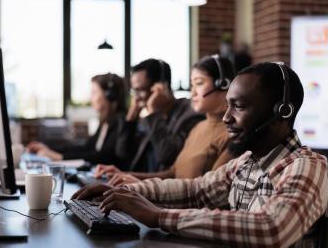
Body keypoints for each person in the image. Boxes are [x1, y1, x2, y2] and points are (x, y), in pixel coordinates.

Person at [72, 62, 328, 247]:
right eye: (228, 106)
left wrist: (159, 216)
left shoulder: (307, 166)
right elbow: (196, 190)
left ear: (282, 112)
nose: (227, 118)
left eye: (239, 106)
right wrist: (128, 194)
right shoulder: (246, 161)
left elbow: (271, 229)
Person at [95, 55, 236, 186]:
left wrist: (141, 186)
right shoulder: (199, 127)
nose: (192, 93)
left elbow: (204, 190)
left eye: (198, 83)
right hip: (161, 199)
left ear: (223, 84)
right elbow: (172, 173)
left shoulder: (196, 119)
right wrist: (124, 176)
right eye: (192, 85)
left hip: (177, 206)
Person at [114, 59, 204, 173]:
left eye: (141, 90)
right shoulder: (147, 118)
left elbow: (167, 156)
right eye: (135, 91)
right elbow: (122, 153)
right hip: (138, 182)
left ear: (161, 86)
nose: (137, 98)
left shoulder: (191, 113)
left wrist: (153, 113)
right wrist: (131, 118)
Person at [27, 73, 129, 169]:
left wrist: (60, 157)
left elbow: (105, 157)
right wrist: (49, 149)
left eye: (94, 93)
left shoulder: (121, 122)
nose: (91, 98)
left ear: (109, 95)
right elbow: (86, 147)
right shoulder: (105, 121)